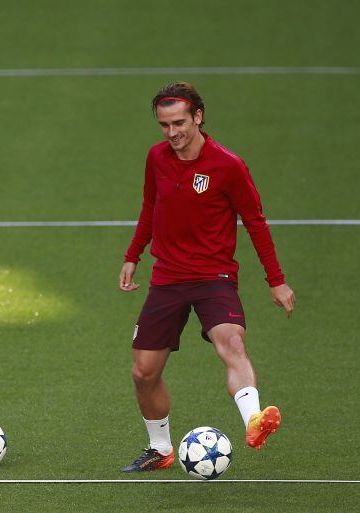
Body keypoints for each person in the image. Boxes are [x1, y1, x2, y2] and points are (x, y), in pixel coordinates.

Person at [119, 81, 296, 472]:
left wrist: (276, 279)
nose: (172, 133)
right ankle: (160, 448)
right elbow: (150, 206)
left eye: (179, 123)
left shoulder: (227, 165)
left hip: (213, 277)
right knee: (143, 373)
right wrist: (134, 255)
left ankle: (253, 419)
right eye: (164, 125)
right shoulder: (156, 158)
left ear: (198, 117)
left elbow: (255, 222)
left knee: (231, 342)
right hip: (167, 278)